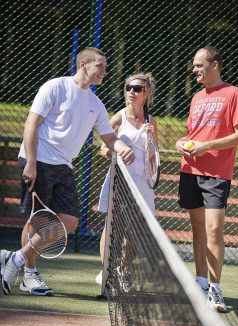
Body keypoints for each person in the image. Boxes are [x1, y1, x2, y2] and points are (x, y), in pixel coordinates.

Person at [0, 47, 135, 296]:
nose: (105, 71)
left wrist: (123, 147)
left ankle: (15, 259)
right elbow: (31, 124)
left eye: (105, 66)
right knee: (38, 222)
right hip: (38, 160)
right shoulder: (55, 87)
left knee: (69, 222)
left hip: (64, 166)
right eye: (100, 66)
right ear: (84, 64)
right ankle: (29, 275)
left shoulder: (96, 104)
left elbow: (109, 137)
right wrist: (30, 162)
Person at [176, 46, 238, 312]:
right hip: (190, 170)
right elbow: (192, 133)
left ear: (214, 65)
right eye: (194, 65)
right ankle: (200, 282)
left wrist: (208, 147)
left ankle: (216, 289)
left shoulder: (233, 94)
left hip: (217, 173)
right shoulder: (196, 97)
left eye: (199, 64)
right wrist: (181, 143)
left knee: (214, 230)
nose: (194, 69)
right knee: (197, 231)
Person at [95, 72, 158, 286]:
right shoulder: (118, 117)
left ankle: (125, 272)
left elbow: (153, 157)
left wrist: (149, 138)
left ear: (146, 93)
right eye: (129, 87)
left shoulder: (152, 121)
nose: (132, 92)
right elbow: (103, 148)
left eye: (137, 88)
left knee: (134, 230)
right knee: (111, 226)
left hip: (142, 182)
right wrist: (117, 152)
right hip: (120, 179)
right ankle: (107, 272)